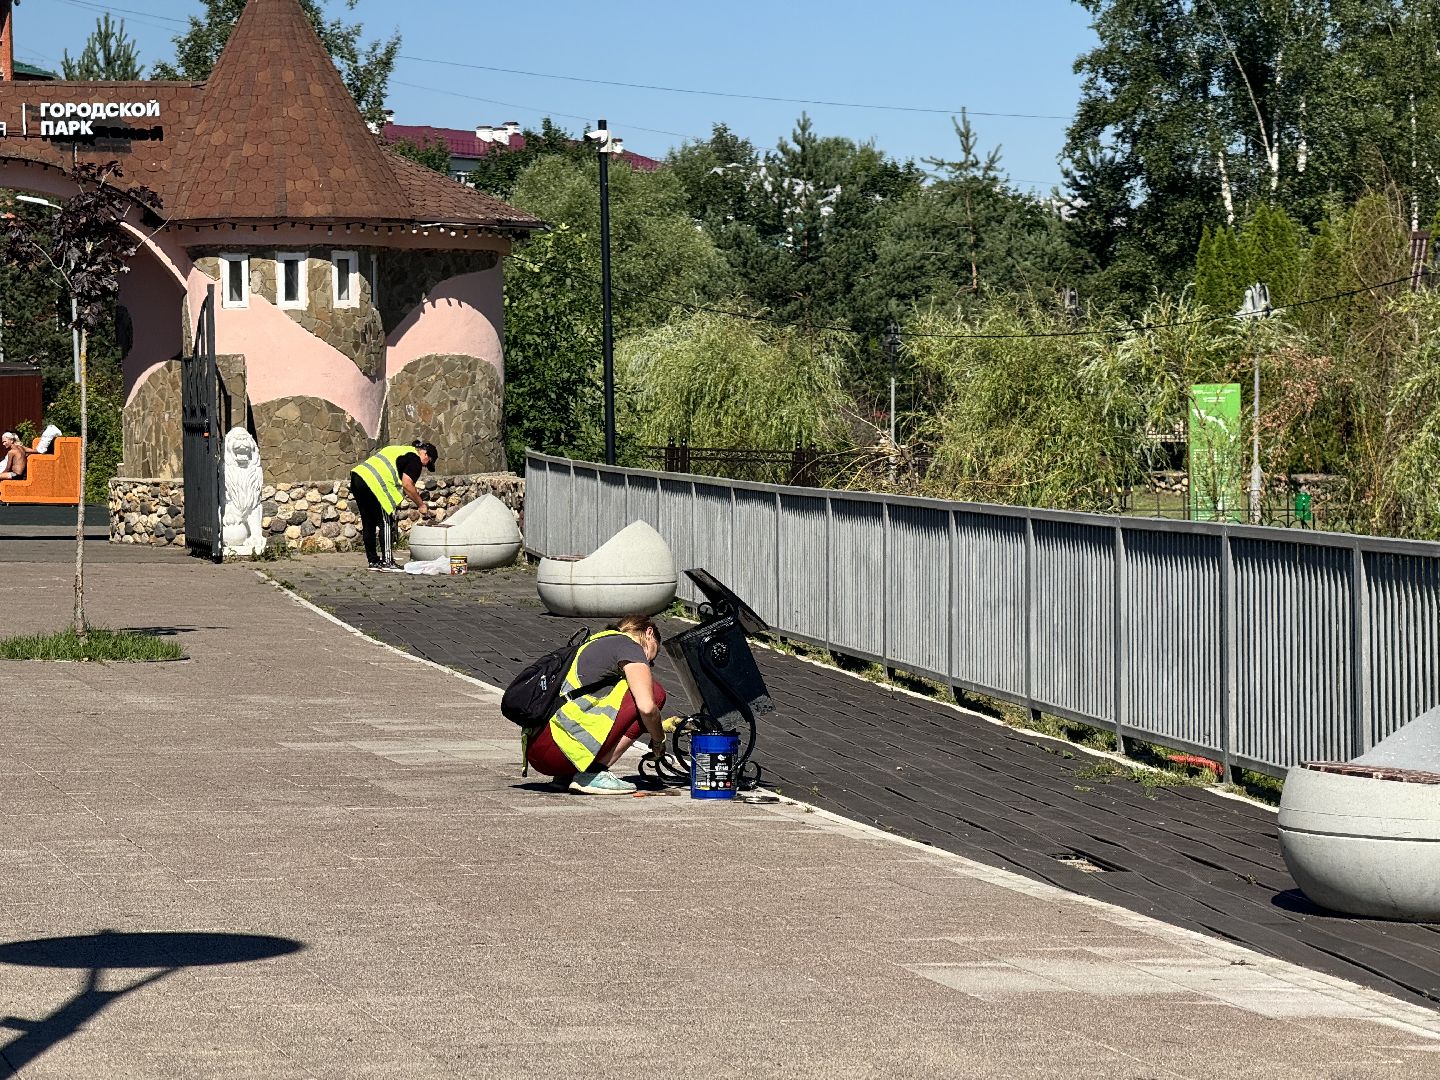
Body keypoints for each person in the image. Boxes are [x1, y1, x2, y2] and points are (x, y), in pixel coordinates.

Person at [526, 615, 669, 795]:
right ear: (649, 633)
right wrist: (659, 740)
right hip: (558, 750)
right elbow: (647, 708)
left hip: (538, 751)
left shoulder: (596, 642)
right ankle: (593, 774)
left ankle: (569, 775)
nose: (649, 663)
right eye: (652, 657)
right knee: (654, 692)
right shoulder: (629, 647)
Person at [349, 439, 437, 571]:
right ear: (425, 454)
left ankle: (373, 561)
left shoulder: (399, 449)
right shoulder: (415, 459)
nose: (424, 467)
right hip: (375, 485)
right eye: (427, 463)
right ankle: (388, 562)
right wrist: (421, 504)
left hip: (358, 477)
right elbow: (407, 484)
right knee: (385, 522)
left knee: (369, 522)